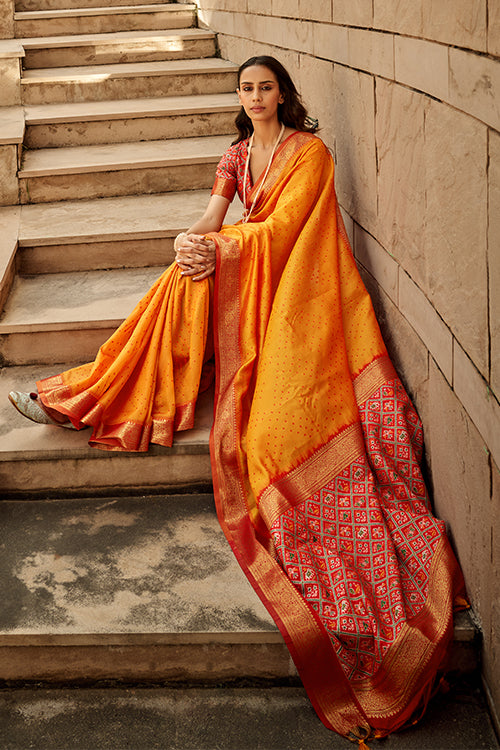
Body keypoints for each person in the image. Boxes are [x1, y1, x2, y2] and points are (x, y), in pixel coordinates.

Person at [8, 56, 467, 745]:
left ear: (284, 93)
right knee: (180, 276)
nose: (254, 97)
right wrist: (192, 240)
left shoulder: (310, 153)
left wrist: (221, 251)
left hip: (302, 284)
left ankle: (96, 394)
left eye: (265, 87)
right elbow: (216, 213)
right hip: (251, 269)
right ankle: (94, 393)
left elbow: (288, 234)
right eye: (246, 89)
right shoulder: (236, 154)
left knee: (263, 414)